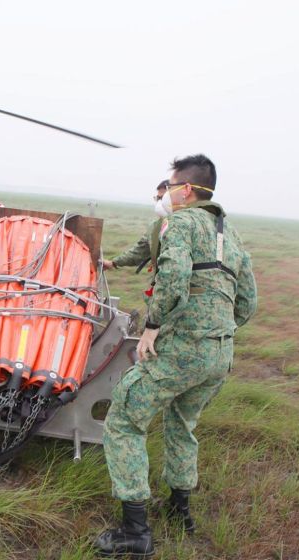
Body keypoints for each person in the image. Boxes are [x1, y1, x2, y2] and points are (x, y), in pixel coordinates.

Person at [94, 154, 257, 557]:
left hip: (182, 349)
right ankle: (179, 511)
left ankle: (135, 531)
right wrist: (218, 331)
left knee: (125, 417)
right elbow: (248, 302)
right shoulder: (231, 236)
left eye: (170, 185)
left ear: (186, 189)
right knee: (182, 424)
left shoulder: (181, 222)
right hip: (220, 354)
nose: (165, 193)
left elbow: (173, 277)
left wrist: (152, 325)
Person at [102, 180, 169, 273]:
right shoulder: (155, 227)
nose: (159, 203)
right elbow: (138, 252)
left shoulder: (189, 223)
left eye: (163, 199)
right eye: (158, 198)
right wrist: (113, 263)